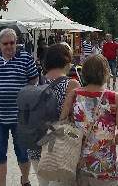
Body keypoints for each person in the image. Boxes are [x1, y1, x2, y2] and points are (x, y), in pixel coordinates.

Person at [0, 28, 40, 186]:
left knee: (23, 152)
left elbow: (34, 80)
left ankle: (25, 180)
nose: (9, 46)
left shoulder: (25, 58)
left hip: (20, 116)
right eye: (5, 43)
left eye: (12, 42)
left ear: (16, 42)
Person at [59, 55, 118, 185]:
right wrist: (108, 141)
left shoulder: (74, 95)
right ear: (106, 73)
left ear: (84, 73)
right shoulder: (114, 99)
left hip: (78, 165)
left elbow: (61, 127)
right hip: (106, 168)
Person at [28, 43, 80, 186]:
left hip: (35, 146)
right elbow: (79, 117)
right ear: (66, 60)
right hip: (58, 149)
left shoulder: (37, 80)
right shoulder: (71, 85)